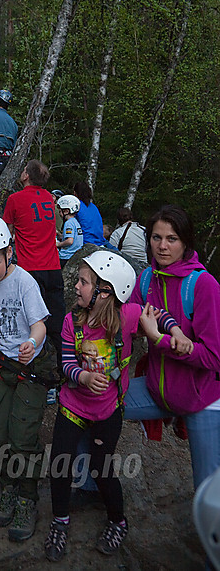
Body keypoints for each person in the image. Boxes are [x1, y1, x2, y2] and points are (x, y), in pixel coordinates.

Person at [44, 251, 187, 562]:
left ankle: (118, 520)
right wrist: (81, 376)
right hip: (73, 405)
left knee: (101, 467)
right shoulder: (72, 321)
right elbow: (67, 361)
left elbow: (158, 314)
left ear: (105, 292)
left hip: (108, 410)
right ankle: (60, 519)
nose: (77, 286)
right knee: (60, 463)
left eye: (84, 282)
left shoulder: (128, 317)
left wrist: (173, 330)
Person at [125, 204, 220, 568]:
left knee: (209, 498)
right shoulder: (147, 279)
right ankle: (91, 490)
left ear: (185, 242)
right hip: (155, 390)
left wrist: (163, 341)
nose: (162, 246)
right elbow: (132, 315)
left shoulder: (204, 285)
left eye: (172, 239)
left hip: (202, 401)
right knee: (94, 402)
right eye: (156, 238)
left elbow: (214, 358)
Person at [0, 216, 52, 542]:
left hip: (28, 367)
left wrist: (32, 342)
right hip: (0, 365)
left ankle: (27, 497)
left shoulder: (24, 283)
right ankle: (9, 488)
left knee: (23, 437)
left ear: (8, 252)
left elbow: (40, 323)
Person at [3, 160, 65, 373]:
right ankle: (64, 368)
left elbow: (7, 231)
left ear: (26, 176)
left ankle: (37, 372)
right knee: (56, 322)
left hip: (31, 269)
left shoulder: (15, 199)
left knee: (33, 323)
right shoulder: (49, 197)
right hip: (53, 267)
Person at [73, 181, 106, 246]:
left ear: (75, 193)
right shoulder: (93, 207)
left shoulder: (76, 206)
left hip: (85, 242)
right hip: (100, 242)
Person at [56, 194, 84, 268]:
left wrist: (58, 244)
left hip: (66, 256)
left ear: (66, 211)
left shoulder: (68, 223)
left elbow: (70, 241)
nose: (59, 214)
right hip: (75, 254)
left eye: (60, 211)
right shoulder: (75, 222)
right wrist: (59, 235)